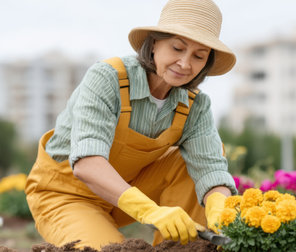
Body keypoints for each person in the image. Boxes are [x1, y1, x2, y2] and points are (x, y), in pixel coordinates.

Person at [24, 0, 237, 250]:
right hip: (67, 195)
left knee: (194, 163)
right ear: (154, 43)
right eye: (177, 48)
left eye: (199, 56)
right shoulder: (108, 78)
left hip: (123, 196)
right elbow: (87, 164)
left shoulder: (195, 105)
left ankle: (179, 247)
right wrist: (149, 211)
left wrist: (219, 210)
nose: (185, 63)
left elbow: (211, 169)